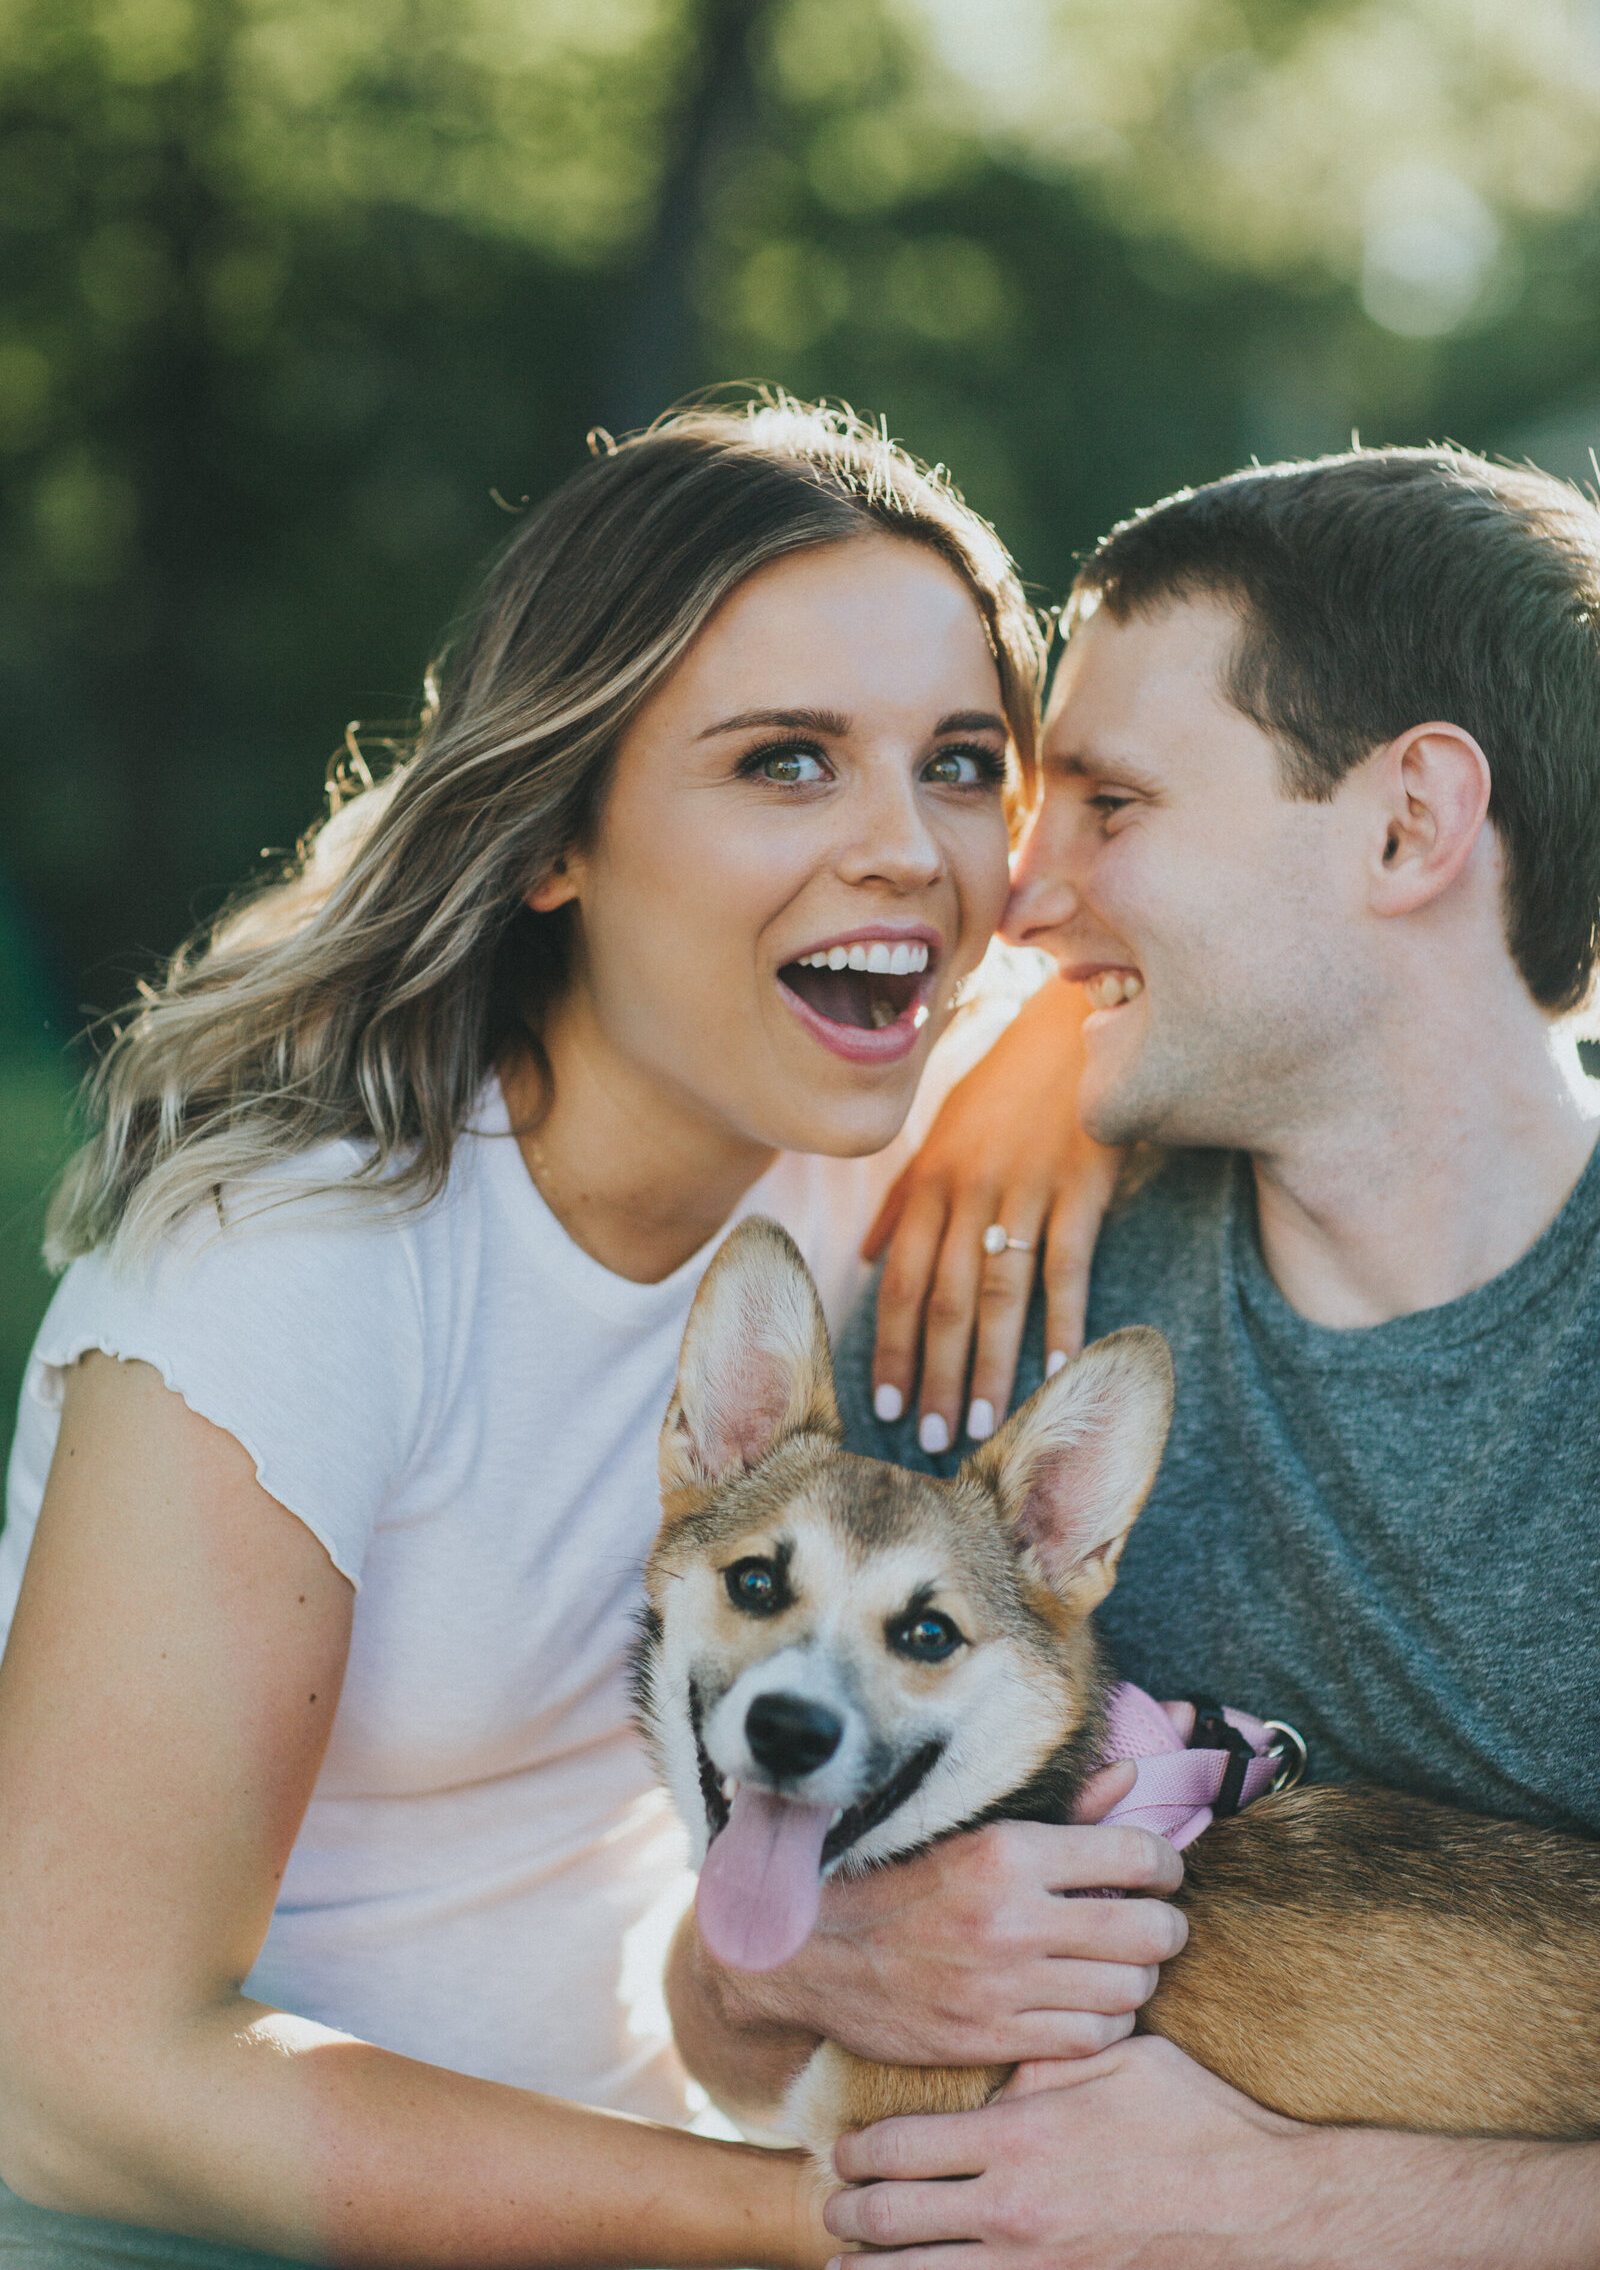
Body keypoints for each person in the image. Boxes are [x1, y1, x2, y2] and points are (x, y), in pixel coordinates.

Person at [0, 400, 1175, 2270]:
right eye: (787, 762)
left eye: (961, 766)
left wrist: (1052, 1042)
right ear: (557, 836)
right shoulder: (296, 1269)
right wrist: (824, 2225)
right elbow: (73, 2073)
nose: (909, 852)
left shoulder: (854, 1123)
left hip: (643, 2153)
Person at [670, 445, 1600, 2267]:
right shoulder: (996, 1289)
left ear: (1409, 824)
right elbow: (723, 2023)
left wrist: (1324, 2208)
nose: (1013, 903)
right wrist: (828, 1958)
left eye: (1110, 802)